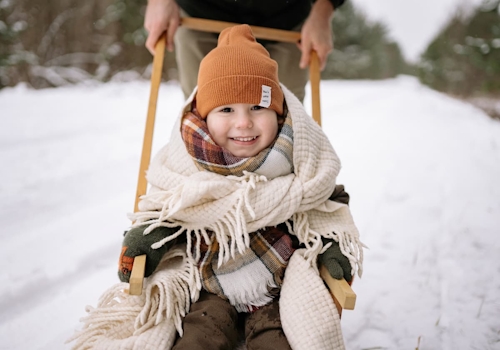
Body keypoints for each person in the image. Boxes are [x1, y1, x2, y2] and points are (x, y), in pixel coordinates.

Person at [118, 24, 363, 349]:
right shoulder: (186, 165)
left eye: (258, 108)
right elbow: (168, 208)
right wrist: (147, 239)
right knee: (197, 338)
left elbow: (328, 203)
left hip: (277, 285)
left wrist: (333, 247)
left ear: (278, 114)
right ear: (204, 117)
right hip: (207, 285)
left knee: (279, 341)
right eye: (226, 110)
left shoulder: (301, 163)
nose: (244, 122)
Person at [143, 0, 345, 102]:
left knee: (286, 112)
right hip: (200, 13)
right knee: (203, 107)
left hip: (286, 19)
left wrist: (323, 10)